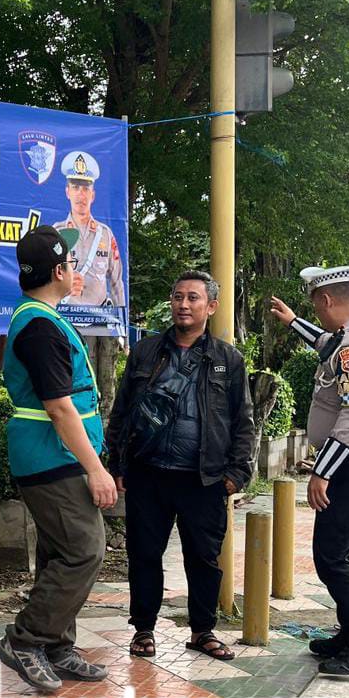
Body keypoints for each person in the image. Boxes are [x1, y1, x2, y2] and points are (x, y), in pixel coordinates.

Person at [0, 225, 117, 692]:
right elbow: (60, 407)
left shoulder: (40, 317)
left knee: (58, 552)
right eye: (71, 264)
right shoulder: (40, 326)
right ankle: (26, 639)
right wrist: (96, 468)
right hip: (52, 454)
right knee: (85, 549)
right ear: (61, 271)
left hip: (52, 453)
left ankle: (57, 646)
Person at [107, 271, 254, 661]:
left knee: (204, 558)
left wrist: (238, 472)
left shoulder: (228, 360)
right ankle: (143, 629)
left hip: (203, 478)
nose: (184, 305)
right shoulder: (145, 353)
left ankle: (203, 631)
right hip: (147, 473)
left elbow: (243, 420)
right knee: (144, 554)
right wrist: (117, 462)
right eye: (178, 297)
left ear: (211, 306)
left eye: (192, 298)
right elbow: (121, 411)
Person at [271, 264, 349, 675]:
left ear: (326, 300)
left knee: (331, 556)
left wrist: (322, 473)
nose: (317, 314)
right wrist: (292, 323)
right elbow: (326, 346)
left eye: (315, 307)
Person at [53, 150, 124, 307]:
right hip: (65, 318)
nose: (81, 194)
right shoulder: (56, 233)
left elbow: (116, 281)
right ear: (68, 192)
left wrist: (122, 320)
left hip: (99, 322)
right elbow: (45, 280)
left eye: (85, 189)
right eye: (76, 187)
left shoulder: (105, 234)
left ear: (92, 195)